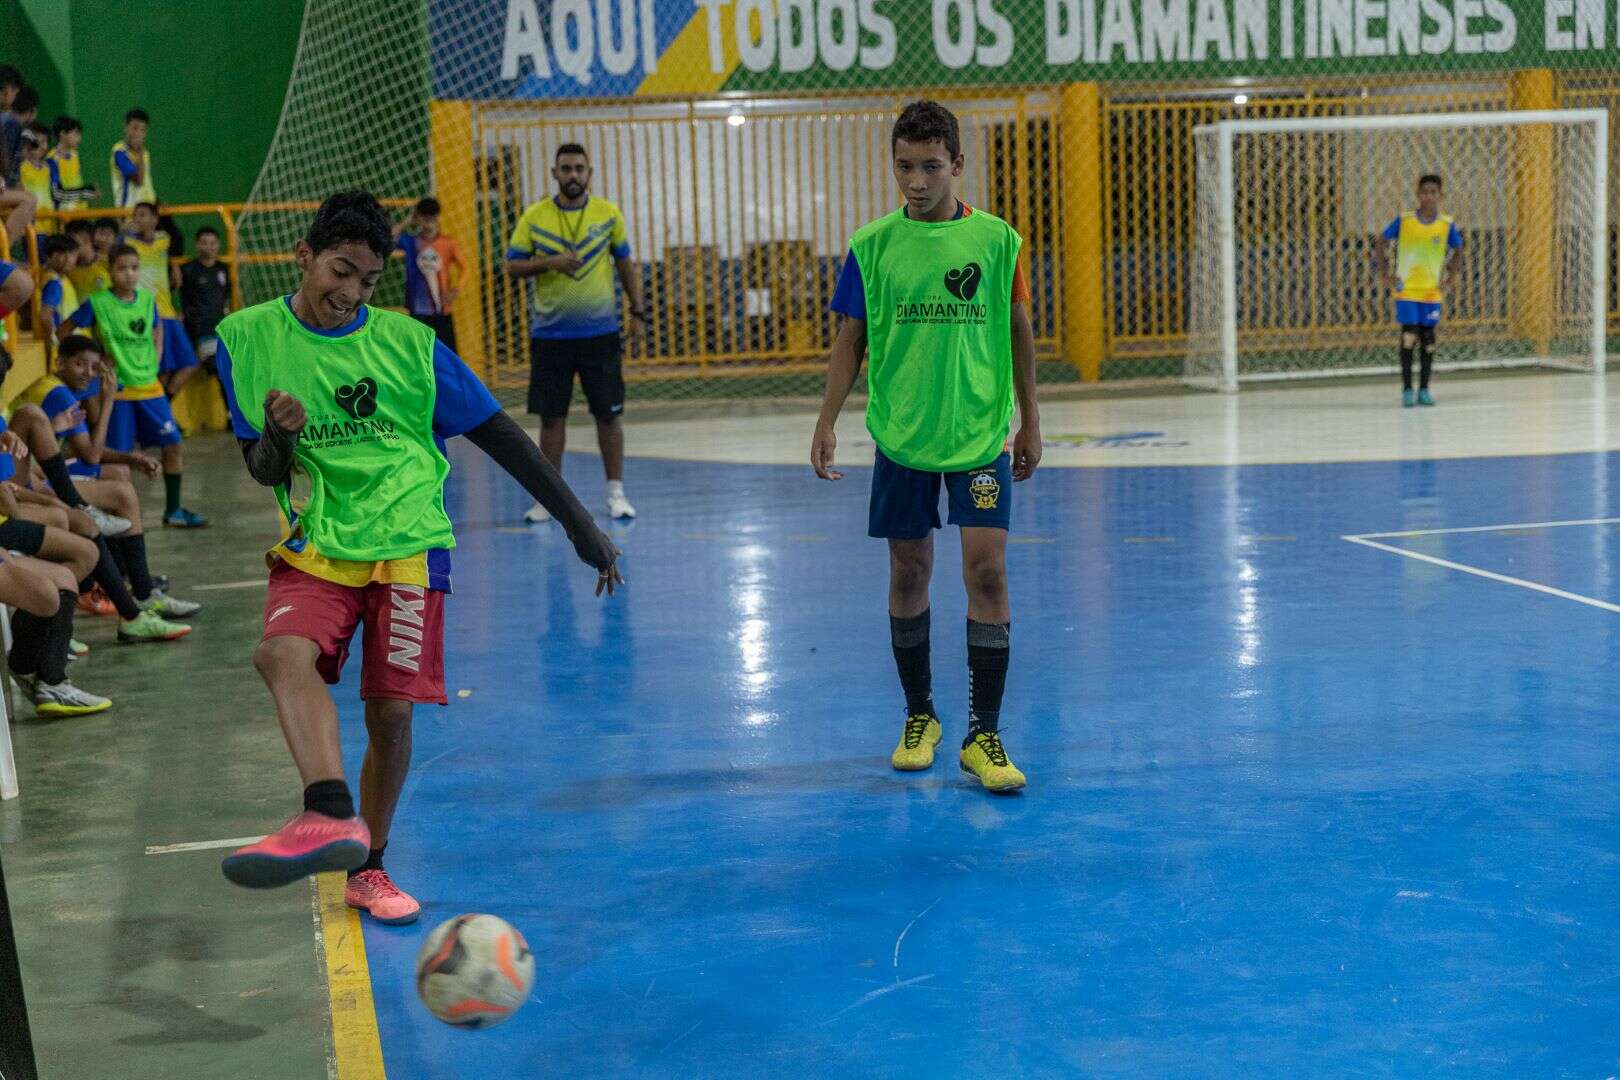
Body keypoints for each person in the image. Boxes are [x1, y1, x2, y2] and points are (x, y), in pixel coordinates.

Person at [214, 191, 621, 920]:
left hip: (407, 541)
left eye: (368, 281)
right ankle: (328, 811)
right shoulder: (245, 339)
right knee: (279, 654)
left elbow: (500, 435)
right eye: (340, 272)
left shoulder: (409, 345)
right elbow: (262, 468)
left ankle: (368, 867)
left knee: (391, 712)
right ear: (304, 256)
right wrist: (279, 434)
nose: (351, 293)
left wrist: (579, 525)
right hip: (319, 541)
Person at [810, 100, 1042, 794]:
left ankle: (984, 734)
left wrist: (1032, 418)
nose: (916, 181)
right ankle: (920, 717)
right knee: (909, 572)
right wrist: (826, 420)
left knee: (987, 575)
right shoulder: (871, 246)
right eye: (904, 166)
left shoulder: (998, 242)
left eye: (931, 167)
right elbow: (850, 340)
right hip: (903, 437)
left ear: (958, 164)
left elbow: (1019, 330)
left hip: (979, 435)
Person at [504, 143, 648, 523]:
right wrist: (550, 262)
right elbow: (512, 267)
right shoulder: (534, 216)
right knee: (551, 419)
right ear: (555, 173)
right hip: (550, 337)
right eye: (566, 168)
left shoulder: (608, 213)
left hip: (600, 335)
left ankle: (616, 494)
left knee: (609, 416)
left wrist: (638, 311)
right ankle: (549, 500)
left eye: (579, 168)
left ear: (589, 173)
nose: (573, 175)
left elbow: (626, 264)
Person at [13, 334, 199, 620]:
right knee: (122, 493)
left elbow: (85, 451)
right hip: (30, 482)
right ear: (60, 363)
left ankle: (131, 578)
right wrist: (109, 399)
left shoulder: (54, 387)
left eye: (93, 367)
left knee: (119, 472)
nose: (88, 373)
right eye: (80, 364)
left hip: (35, 476)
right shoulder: (59, 395)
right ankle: (140, 590)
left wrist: (131, 458)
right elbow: (91, 455)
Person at [59, 243, 207, 527]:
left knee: (173, 445)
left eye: (134, 268)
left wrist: (157, 356)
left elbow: (157, 329)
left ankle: (173, 510)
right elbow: (63, 331)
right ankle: (121, 517)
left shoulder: (148, 301)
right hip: (119, 393)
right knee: (117, 459)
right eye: (122, 268)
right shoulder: (98, 303)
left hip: (150, 388)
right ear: (110, 270)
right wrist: (92, 363)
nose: (129, 274)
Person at [1374, 173, 1463, 408]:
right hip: (1407, 290)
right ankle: (1407, 389)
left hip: (1431, 291)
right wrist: (1385, 273)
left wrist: (1450, 277)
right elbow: (1381, 241)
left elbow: (1458, 249)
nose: (1429, 196)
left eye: (1433, 192)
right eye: (1425, 192)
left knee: (1428, 338)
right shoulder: (1405, 221)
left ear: (1440, 196)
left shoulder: (1446, 224)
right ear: (1418, 195)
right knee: (1409, 335)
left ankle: (1424, 389)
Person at [124, 202, 200, 399]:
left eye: (142, 215)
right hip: (144, 312)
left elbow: (176, 245)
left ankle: (164, 404)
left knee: (189, 362)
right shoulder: (128, 244)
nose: (137, 219)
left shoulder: (164, 240)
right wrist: (123, 232)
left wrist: (174, 265)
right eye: (135, 215)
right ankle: (159, 409)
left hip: (167, 310)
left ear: (154, 219)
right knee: (160, 370)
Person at [393, 197, 463, 350]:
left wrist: (456, 289)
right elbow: (387, 237)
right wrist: (407, 221)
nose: (429, 222)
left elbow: (465, 268)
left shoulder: (448, 243)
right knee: (417, 354)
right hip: (417, 311)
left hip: (442, 310)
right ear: (418, 218)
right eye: (425, 218)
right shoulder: (410, 242)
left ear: (438, 218)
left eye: (433, 217)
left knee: (447, 354)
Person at [47, 117, 96, 214]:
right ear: (62, 134)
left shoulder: (75, 155)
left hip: (81, 211)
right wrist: (85, 193)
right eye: (75, 133)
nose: (79, 138)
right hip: (64, 213)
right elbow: (56, 193)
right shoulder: (52, 160)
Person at [110, 108, 155, 210]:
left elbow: (146, 186)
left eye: (142, 130)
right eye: (135, 128)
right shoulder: (119, 152)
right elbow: (138, 181)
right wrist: (139, 151)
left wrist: (155, 202)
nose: (138, 133)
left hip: (148, 209)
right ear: (126, 127)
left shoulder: (144, 153)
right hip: (129, 213)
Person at [36, 234, 78, 333]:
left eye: (72, 254)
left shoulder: (62, 278)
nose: (68, 259)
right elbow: (45, 317)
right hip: (65, 339)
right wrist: (51, 339)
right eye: (62, 254)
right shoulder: (54, 283)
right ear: (49, 256)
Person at [16, 123, 51, 238]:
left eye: (43, 142)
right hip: (30, 224)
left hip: (49, 222)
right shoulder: (20, 167)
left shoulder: (48, 168)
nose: (39, 145)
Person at [0, 85, 36, 189]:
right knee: (29, 197)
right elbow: (7, 162)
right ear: (32, 111)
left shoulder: (4, 119)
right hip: (4, 186)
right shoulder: (12, 125)